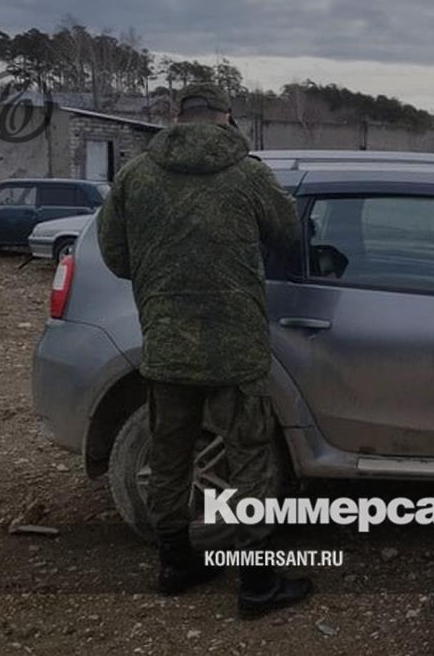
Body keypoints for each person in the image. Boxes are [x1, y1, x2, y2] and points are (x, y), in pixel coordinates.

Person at [97, 82, 313, 620]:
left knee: (170, 457)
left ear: (176, 116)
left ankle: (175, 566)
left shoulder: (136, 175)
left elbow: (115, 254)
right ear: (226, 117)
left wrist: (160, 278)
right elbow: (287, 234)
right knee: (251, 460)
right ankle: (258, 585)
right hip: (234, 349)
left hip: (167, 345)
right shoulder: (248, 173)